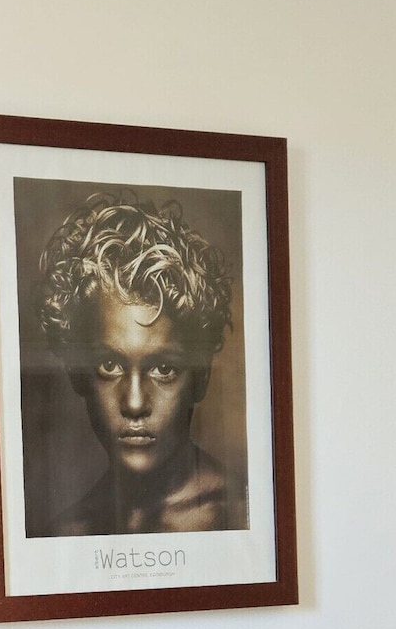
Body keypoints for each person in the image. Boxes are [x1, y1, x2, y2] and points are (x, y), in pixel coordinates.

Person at [34, 192, 246, 536]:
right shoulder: (63, 535)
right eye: (109, 365)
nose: (134, 404)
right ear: (77, 374)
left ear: (202, 377)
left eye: (164, 369)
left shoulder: (243, 518)